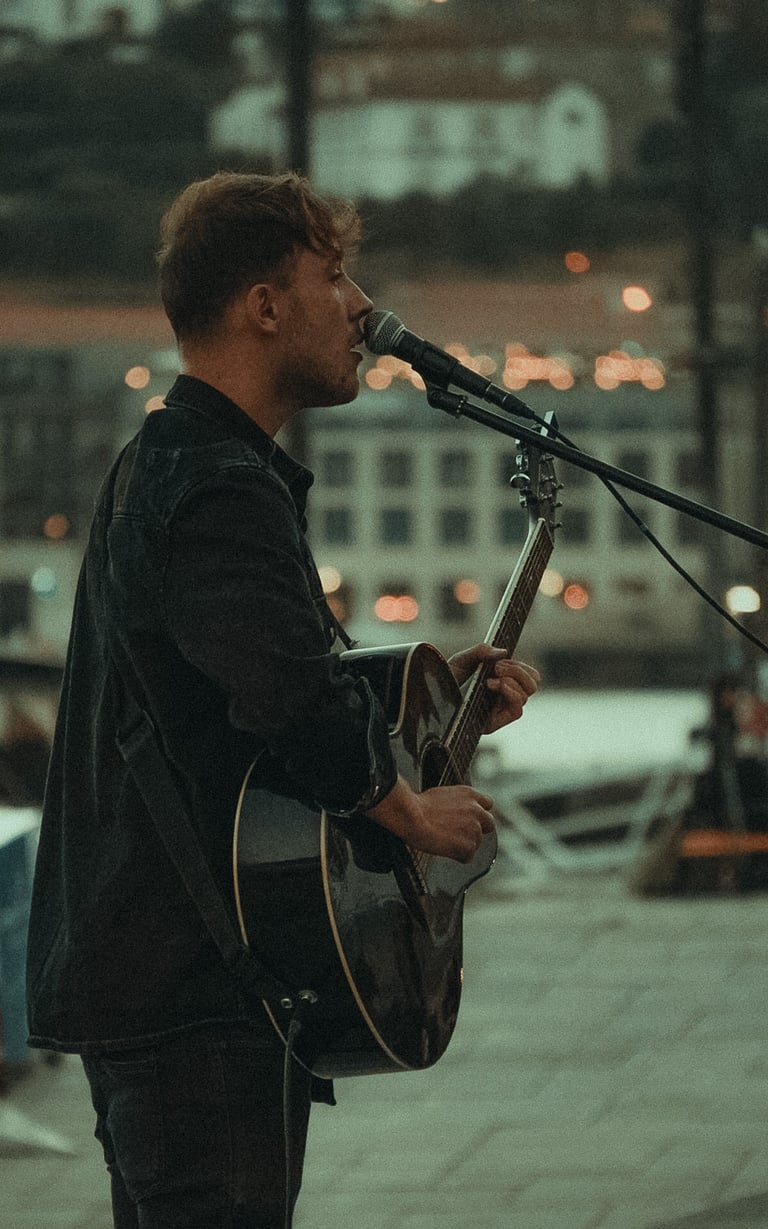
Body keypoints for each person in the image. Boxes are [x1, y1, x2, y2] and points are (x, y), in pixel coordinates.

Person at [25, 171, 539, 1229]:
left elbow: (244, 709)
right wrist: (410, 811)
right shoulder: (212, 483)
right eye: (335, 274)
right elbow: (288, 699)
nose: (362, 307)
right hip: (188, 995)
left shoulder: (177, 463)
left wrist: (444, 722)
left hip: (174, 983)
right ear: (264, 303)